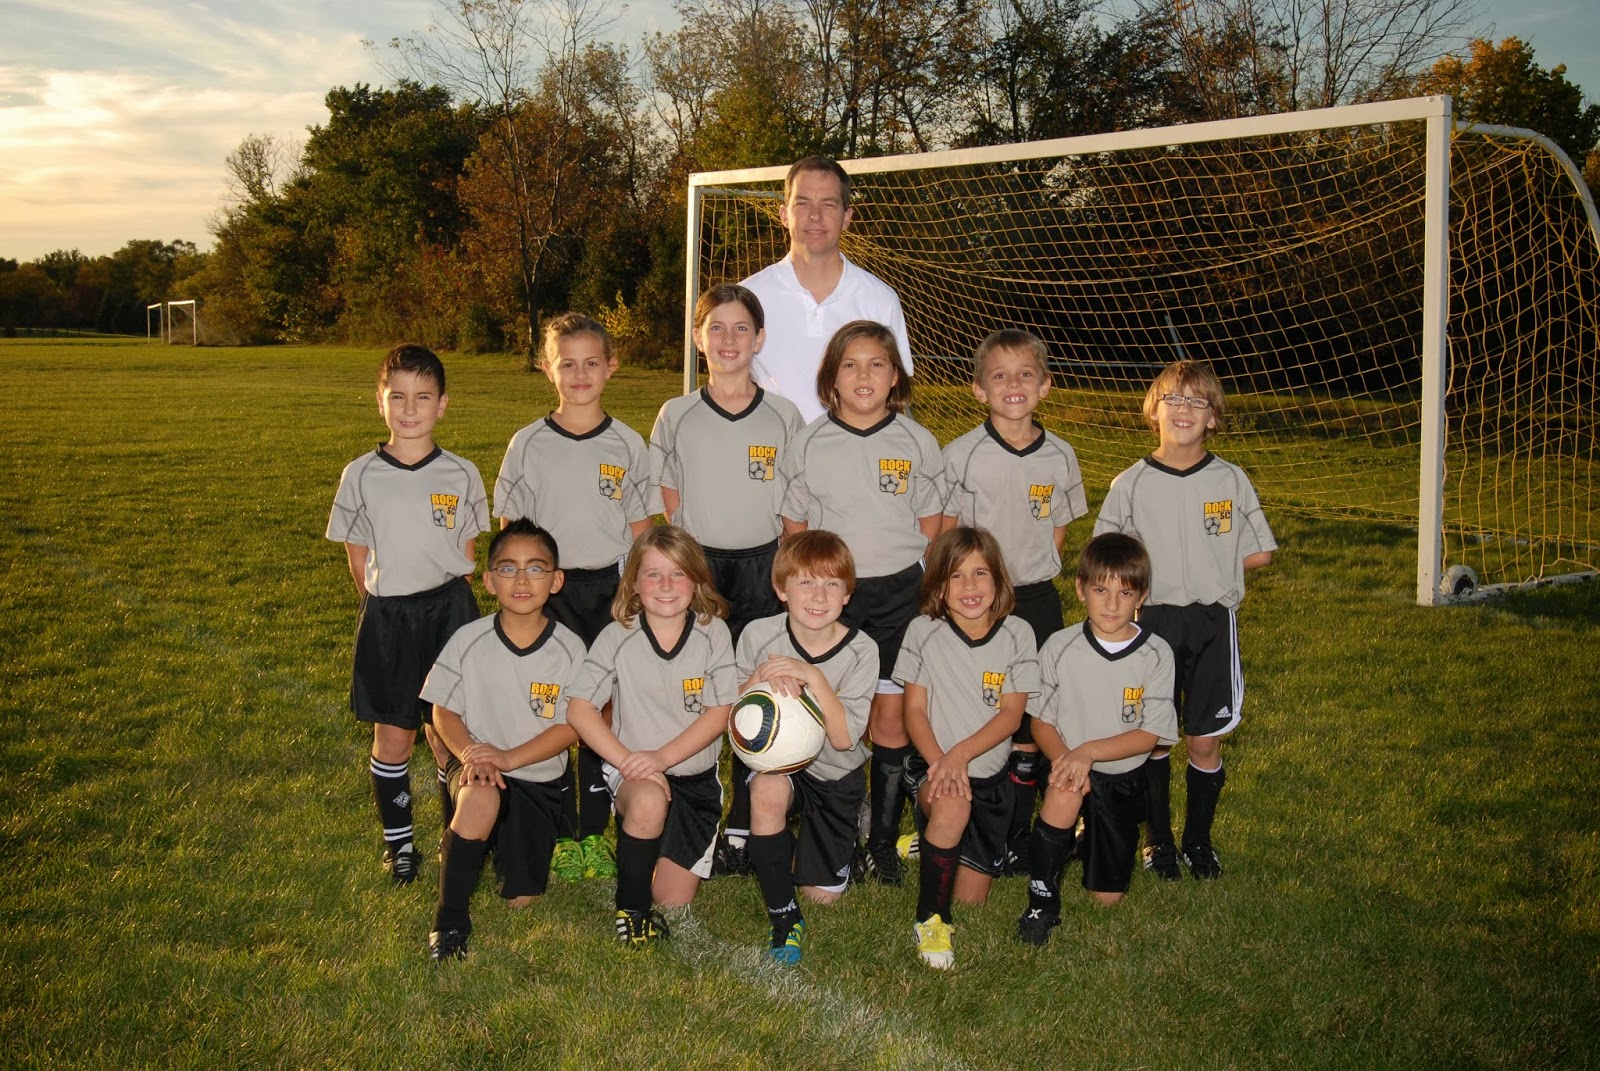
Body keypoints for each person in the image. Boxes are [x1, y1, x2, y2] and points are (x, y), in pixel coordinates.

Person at [1094, 360, 1276, 881]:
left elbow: (1259, 552)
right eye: (1173, 399)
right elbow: (1106, 556)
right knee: (1150, 736)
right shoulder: (1130, 483)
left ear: (1214, 417)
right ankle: (1158, 842)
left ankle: (1198, 841)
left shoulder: (1230, 479)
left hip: (1212, 625)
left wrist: (1209, 566)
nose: (1184, 410)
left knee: (1202, 739)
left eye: (1198, 401)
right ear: (1153, 411)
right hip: (1149, 628)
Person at [780, 320, 944, 885]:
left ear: (895, 375)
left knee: (891, 717)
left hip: (899, 593)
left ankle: (880, 841)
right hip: (834, 596)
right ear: (831, 378)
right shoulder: (809, 441)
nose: (863, 375)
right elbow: (795, 524)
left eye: (876, 363)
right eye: (850, 364)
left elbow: (931, 525)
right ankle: (833, 819)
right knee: (829, 709)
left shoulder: (917, 442)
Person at [649, 283, 806, 876]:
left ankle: (746, 821)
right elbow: (667, 491)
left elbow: (794, 503)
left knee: (755, 688)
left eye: (742, 328)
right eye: (716, 327)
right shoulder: (677, 413)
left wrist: (786, 568)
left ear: (759, 338)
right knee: (703, 687)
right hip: (701, 568)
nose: (729, 339)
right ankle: (694, 804)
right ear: (698, 339)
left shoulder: (784, 415)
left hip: (763, 565)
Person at [494, 314, 654, 884]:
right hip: (548, 590)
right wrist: (522, 591)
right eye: (568, 363)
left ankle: (593, 828)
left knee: (601, 707)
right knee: (556, 704)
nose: (580, 373)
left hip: (608, 589)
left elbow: (641, 531)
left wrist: (638, 592)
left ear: (611, 366)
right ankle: (559, 828)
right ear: (547, 367)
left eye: (592, 362)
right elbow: (514, 536)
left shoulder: (628, 443)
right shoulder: (529, 444)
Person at [326, 343, 487, 885]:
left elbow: (466, 557)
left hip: (450, 615)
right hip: (389, 617)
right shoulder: (361, 474)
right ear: (380, 401)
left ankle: (454, 836)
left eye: (423, 397)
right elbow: (357, 552)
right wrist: (383, 601)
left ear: (442, 405)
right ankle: (400, 847)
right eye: (398, 396)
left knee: (449, 732)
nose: (410, 408)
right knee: (394, 737)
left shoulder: (462, 474)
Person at [940, 328, 1087, 874]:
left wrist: (1034, 575)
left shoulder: (1062, 456)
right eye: (999, 376)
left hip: (1036, 599)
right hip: (978, 604)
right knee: (979, 710)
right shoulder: (961, 454)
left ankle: (1019, 835)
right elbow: (948, 535)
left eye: (1026, 374)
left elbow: (1058, 531)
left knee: (1029, 721)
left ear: (1046, 385)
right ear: (979, 390)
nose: (1013, 385)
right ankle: (975, 825)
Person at [564, 527, 738, 947]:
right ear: (634, 583)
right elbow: (579, 710)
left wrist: (661, 757)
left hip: (695, 783)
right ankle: (631, 911)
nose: (665, 586)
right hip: (636, 775)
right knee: (647, 801)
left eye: (678, 574)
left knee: (673, 901)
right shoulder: (617, 636)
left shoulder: (713, 633)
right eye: (653, 574)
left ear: (696, 581)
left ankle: (651, 851)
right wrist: (630, 762)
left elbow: (720, 714)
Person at [421, 520, 586, 961]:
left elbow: (573, 727)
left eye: (536, 569)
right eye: (508, 569)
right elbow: (443, 709)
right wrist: (472, 752)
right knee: (480, 797)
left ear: (556, 581)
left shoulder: (571, 650)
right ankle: (450, 920)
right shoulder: (468, 639)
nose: (521, 580)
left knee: (521, 898)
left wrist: (509, 757)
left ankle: (478, 839)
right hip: (478, 764)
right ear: (489, 580)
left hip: (535, 777)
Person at [1016, 532, 1179, 946]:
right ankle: (1042, 901)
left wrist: (1088, 752)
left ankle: (1088, 839)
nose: (1111, 604)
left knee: (1106, 897)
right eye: (1100, 590)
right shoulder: (1059, 646)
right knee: (1065, 788)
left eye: (1124, 593)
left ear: (1141, 597)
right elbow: (1041, 722)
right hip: (1067, 760)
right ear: (1080, 590)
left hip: (1120, 775)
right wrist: (1067, 760)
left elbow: (1149, 735)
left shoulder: (1157, 654)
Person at [895, 527, 1038, 969]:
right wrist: (943, 762)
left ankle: (929, 842)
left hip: (990, 781)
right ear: (938, 586)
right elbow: (914, 711)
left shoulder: (1018, 634)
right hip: (932, 766)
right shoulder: (923, 631)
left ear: (999, 580)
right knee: (952, 804)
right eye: (956, 577)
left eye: (980, 573)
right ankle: (930, 921)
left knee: (974, 900)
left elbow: (1012, 717)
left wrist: (962, 756)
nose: (970, 587)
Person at [737, 531, 879, 966]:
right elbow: (734, 718)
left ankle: (844, 830)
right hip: (781, 768)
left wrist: (812, 677)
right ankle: (783, 917)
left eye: (832, 584)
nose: (818, 596)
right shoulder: (759, 635)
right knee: (766, 790)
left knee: (822, 896)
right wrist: (757, 680)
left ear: (847, 594)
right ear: (781, 589)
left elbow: (842, 739)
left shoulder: (862, 651)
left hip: (836, 771)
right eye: (805, 583)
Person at [741, 156, 914, 423]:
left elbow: (894, 399)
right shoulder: (747, 297)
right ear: (784, 214)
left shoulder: (880, 300)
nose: (815, 215)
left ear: (847, 217)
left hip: (853, 458)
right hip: (772, 457)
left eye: (828, 204)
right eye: (802, 202)